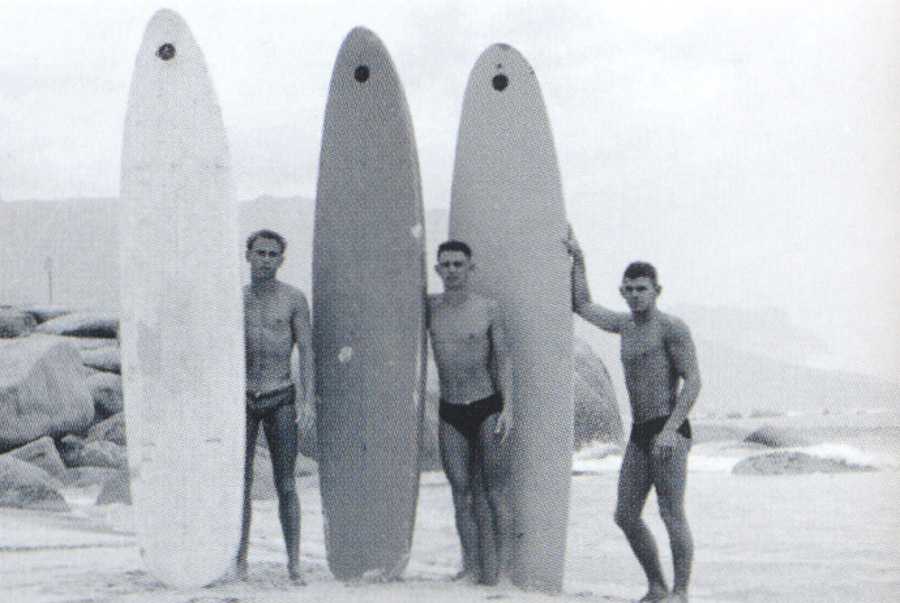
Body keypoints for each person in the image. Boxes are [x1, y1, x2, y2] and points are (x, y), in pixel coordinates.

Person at [565, 228, 701, 603]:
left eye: (643, 288)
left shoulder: (671, 327)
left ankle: (681, 591)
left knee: (671, 512)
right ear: (623, 291)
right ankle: (656, 586)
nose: (636, 295)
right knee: (625, 515)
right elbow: (582, 304)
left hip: (668, 428)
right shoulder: (624, 326)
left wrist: (671, 430)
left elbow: (693, 382)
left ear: (657, 290)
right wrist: (579, 256)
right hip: (641, 430)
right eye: (630, 289)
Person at [426, 240, 514, 585]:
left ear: (470, 268)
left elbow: (504, 359)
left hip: (487, 406)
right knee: (460, 491)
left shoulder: (489, 308)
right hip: (450, 410)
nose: (451, 271)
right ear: (437, 270)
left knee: (495, 493)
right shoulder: (429, 308)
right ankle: (471, 567)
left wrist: (509, 407)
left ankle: (504, 573)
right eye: (445, 265)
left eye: (458, 264)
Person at [238, 229, 314, 584]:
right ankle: (239, 559)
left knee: (286, 483)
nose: (266, 259)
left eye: (272, 254)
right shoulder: (235, 299)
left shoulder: (294, 299)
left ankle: (294, 562)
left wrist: (307, 399)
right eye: (260, 253)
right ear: (248, 256)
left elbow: (307, 351)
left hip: (280, 394)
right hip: (243, 398)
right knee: (241, 484)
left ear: (281, 260)